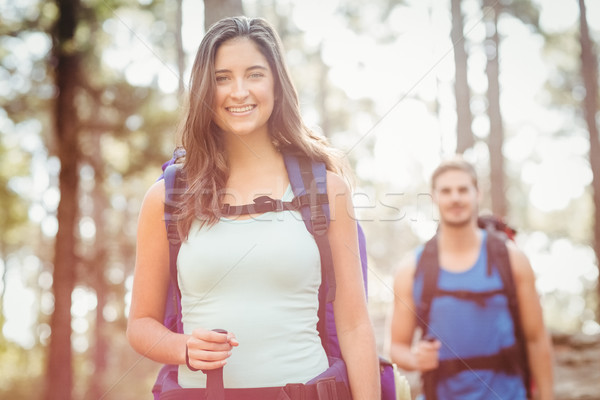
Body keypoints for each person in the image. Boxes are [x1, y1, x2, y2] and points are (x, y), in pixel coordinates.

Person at [126, 16, 380, 399]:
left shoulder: (328, 191)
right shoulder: (167, 196)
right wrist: (184, 348)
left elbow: (355, 326)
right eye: (222, 77)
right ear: (203, 89)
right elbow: (140, 325)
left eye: (254, 74)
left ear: (276, 83)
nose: (238, 91)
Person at [388, 156, 554, 399]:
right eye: (446, 191)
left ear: (478, 193)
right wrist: (415, 358)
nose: (455, 198)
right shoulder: (411, 269)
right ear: (434, 197)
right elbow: (395, 347)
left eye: (463, 189)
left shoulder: (512, 260)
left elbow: (537, 339)